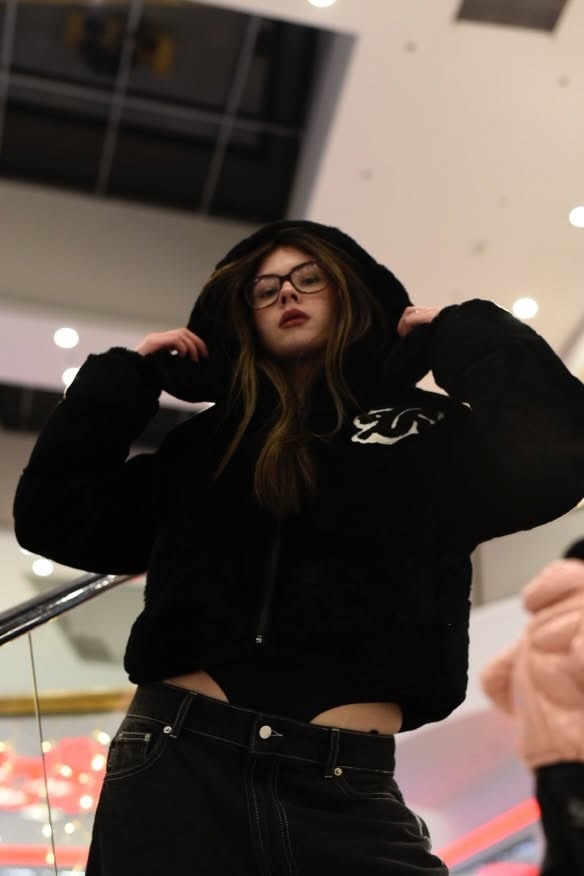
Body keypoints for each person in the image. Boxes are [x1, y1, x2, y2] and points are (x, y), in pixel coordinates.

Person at [13, 220, 584, 875]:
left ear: (350, 291)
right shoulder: (203, 445)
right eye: (265, 288)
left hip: (344, 782)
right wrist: (126, 378)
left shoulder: (429, 430)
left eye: (310, 278)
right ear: (242, 316)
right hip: (179, 759)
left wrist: (469, 335)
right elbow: (54, 516)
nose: (287, 293)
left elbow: (560, 457)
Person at [481, 538, 584, 876]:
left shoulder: (536, 626)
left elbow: (493, 678)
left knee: (562, 859)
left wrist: (539, 720)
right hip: (580, 756)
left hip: (546, 766)